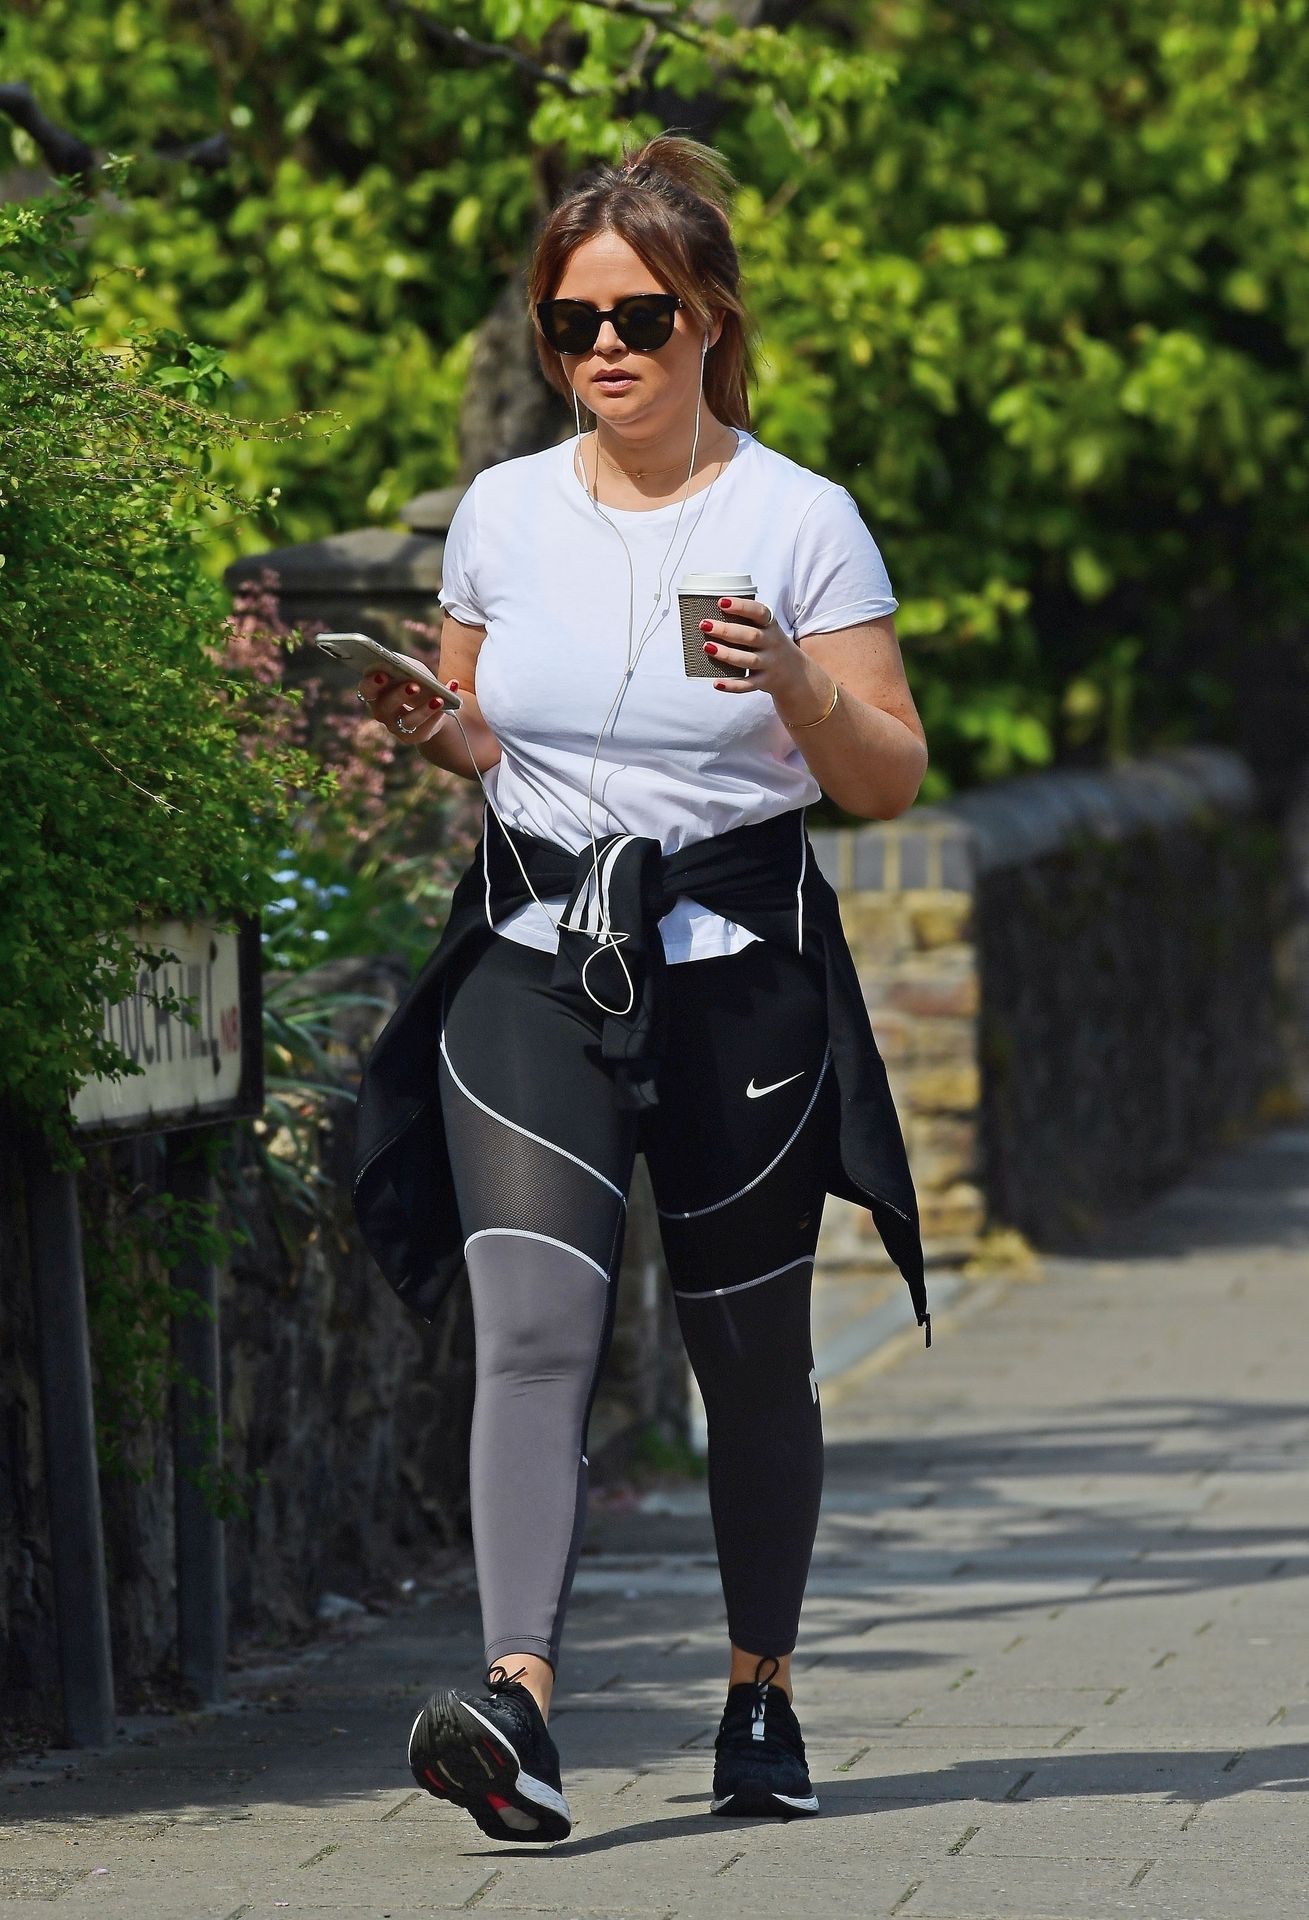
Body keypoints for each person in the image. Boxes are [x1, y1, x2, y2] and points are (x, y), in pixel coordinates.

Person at [351, 133, 930, 1840]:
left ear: (706, 321)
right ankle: (517, 1707)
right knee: (534, 1332)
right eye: (569, 321)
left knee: (747, 1356)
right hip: (534, 961)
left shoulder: (798, 517)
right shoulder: (502, 511)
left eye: (638, 315)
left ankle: (759, 1693)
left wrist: (795, 688)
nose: (602, 346)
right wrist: (442, 733)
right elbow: (486, 735)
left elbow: (887, 778)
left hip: (735, 971)